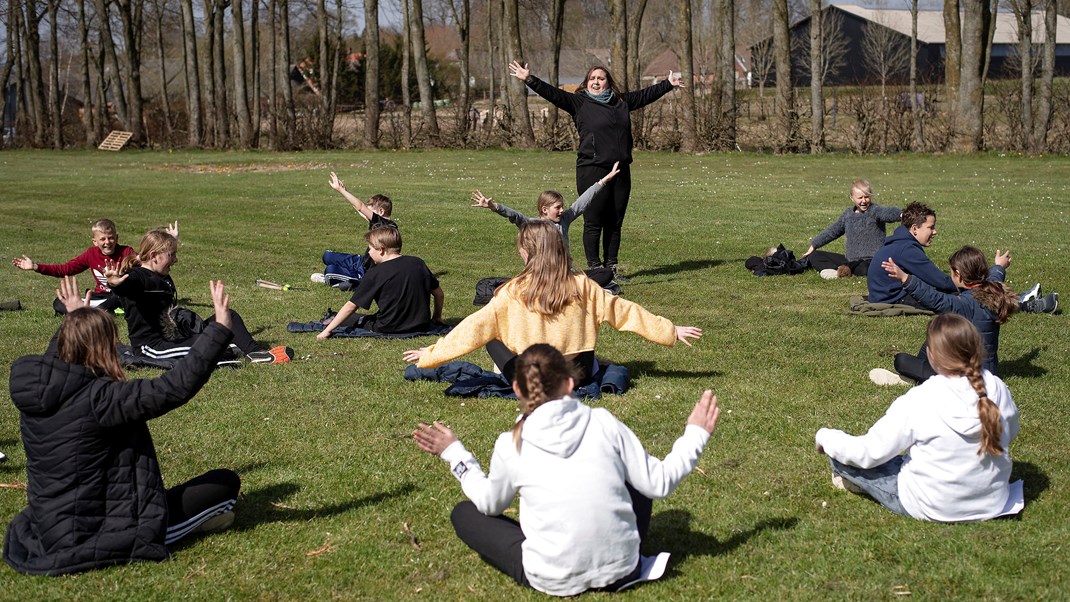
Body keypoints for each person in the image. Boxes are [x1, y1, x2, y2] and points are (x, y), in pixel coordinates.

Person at [413, 343, 720, 596]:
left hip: (553, 576)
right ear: (571, 382)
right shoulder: (604, 423)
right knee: (634, 467)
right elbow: (658, 483)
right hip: (622, 569)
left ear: (517, 388)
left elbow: (489, 504)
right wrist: (695, 434)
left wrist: (455, 454)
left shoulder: (512, 443)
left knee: (464, 513)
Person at [4, 276, 241, 575]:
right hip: (105, 531)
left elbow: (63, 356)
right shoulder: (102, 399)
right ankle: (188, 526)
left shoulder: (40, 391)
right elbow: (174, 387)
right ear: (104, 349)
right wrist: (218, 330)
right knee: (225, 483)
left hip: (49, 526)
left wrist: (75, 317)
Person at [403, 220, 702, 384]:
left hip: (534, 380)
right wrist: (670, 330)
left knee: (490, 333)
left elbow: (471, 330)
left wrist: (430, 355)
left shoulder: (510, 292)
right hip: (579, 375)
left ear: (526, 251)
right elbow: (625, 312)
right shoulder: (584, 285)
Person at [816, 313, 1019, 523]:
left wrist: (826, 437)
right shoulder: (997, 387)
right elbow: (1011, 432)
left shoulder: (920, 398)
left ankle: (860, 483)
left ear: (931, 356)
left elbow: (869, 453)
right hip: (993, 501)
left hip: (932, 505)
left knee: (842, 459)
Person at [509, 61, 683, 281]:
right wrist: (529, 79)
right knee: (593, 221)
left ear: (608, 82)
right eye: (592, 78)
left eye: (601, 78)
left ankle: (611, 269)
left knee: (615, 221)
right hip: (591, 169)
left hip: (620, 169)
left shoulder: (620, 102)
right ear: (586, 83)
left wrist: (668, 84)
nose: (596, 82)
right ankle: (595, 269)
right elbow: (553, 94)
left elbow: (644, 95)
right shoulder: (579, 102)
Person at [106, 228, 292, 364]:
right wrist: (115, 283)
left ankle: (256, 353)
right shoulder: (139, 276)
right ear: (154, 256)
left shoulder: (159, 273)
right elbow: (128, 286)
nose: (175, 259)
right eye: (171, 255)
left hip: (175, 335)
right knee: (210, 346)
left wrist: (171, 239)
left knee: (229, 316)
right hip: (154, 347)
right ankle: (231, 350)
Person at [870, 247, 1019, 386]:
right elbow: (996, 275)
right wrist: (999, 265)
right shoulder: (992, 290)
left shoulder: (965, 303)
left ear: (958, 274)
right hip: (989, 374)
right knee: (935, 338)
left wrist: (905, 279)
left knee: (901, 361)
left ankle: (915, 379)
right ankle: (920, 370)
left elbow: (935, 299)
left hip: (965, 380)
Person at [471, 161, 620, 289]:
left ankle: (570, 286)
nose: (562, 210)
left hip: (565, 273)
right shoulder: (533, 225)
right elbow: (515, 216)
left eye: (562, 207)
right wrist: (494, 206)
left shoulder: (564, 220)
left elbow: (582, 203)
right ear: (544, 209)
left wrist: (603, 181)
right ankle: (570, 288)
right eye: (557, 207)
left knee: (605, 273)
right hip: (544, 275)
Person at [317, 226, 444, 338]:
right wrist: (436, 318)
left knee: (348, 318)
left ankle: (332, 318)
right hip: (422, 325)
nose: (369, 253)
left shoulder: (375, 273)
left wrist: (327, 331)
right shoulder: (418, 263)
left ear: (381, 250)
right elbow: (439, 294)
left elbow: (351, 306)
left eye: (370, 249)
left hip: (388, 327)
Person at [10, 218, 144, 314]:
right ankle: (98, 311)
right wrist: (36, 267)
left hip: (121, 296)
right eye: (102, 239)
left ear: (117, 237)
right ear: (94, 241)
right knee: (59, 302)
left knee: (122, 296)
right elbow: (66, 269)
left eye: (111, 238)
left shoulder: (126, 252)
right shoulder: (91, 254)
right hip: (100, 297)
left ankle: (96, 312)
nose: (107, 242)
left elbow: (144, 266)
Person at [311, 172, 398, 290]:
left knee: (330, 271)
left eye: (370, 210)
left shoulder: (387, 225)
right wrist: (345, 191)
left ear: (381, 211)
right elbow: (360, 209)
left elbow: (361, 206)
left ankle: (335, 279)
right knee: (327, 256)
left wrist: (341, 190)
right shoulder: (377, 222)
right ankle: (344, 273)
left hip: (368, 272)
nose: (367, 212)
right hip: (361, 261)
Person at [802, 180, 901, 280]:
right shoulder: (848, 215)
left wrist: (901, 214)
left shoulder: (875, 211)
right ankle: (836, 271)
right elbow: (832, 231)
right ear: (852, 198)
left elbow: (888, 213)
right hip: (850, 261)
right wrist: (814, 245)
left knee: (866, 268)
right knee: (814, 256)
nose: (864, 201)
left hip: (872, 260)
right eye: (860, 198)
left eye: (866, 197)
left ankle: (845, 271)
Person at [866, 202, 955, 306]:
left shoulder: (900, 243)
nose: (935, 232)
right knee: (950, 300)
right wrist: (967, 285)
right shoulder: (907, 249)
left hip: (880, 296)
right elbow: (940, 281)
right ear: (915, 228)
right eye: (931, 227)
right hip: (893, 298)